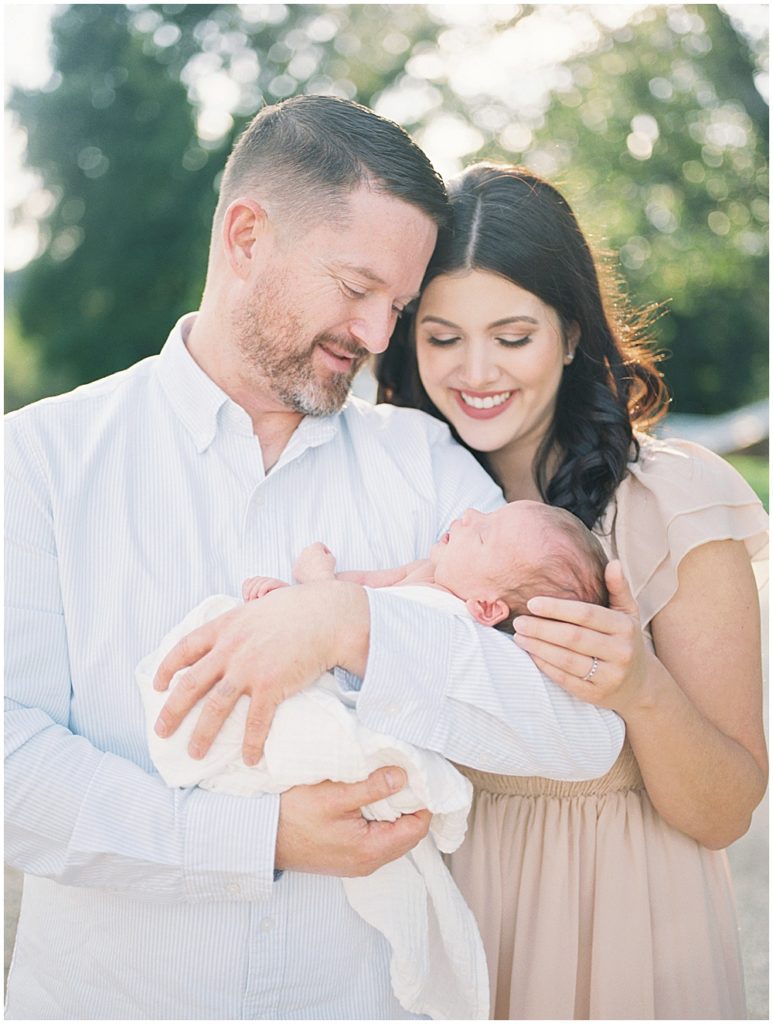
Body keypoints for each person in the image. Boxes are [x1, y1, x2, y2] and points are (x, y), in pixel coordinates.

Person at [5, 98, 626, 1020]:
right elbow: (12, 769)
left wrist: (356, 625)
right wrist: (255, 838)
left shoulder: (421, 461)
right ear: (247, 235)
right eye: (355, 288)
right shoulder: (37, 462)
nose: (381, 337)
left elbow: (579, 733)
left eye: (399, 308)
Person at [377, 162, 769, 1020]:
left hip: (627, 932)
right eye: (443, 337)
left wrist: (642, 692)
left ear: (569, 332)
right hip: (450, 936)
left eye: (511, 336)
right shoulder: (409, 503)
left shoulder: (676, 501)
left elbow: (726, 811)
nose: (475, 371)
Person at [244, 499, 609, 624]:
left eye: (482, 534)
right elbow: (358, 588)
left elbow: (350, 617)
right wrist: (291, 596)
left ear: (485, 606)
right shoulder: (423, 572)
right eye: (487, 513)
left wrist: (316, 577)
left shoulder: (444, 617)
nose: (468, 514)